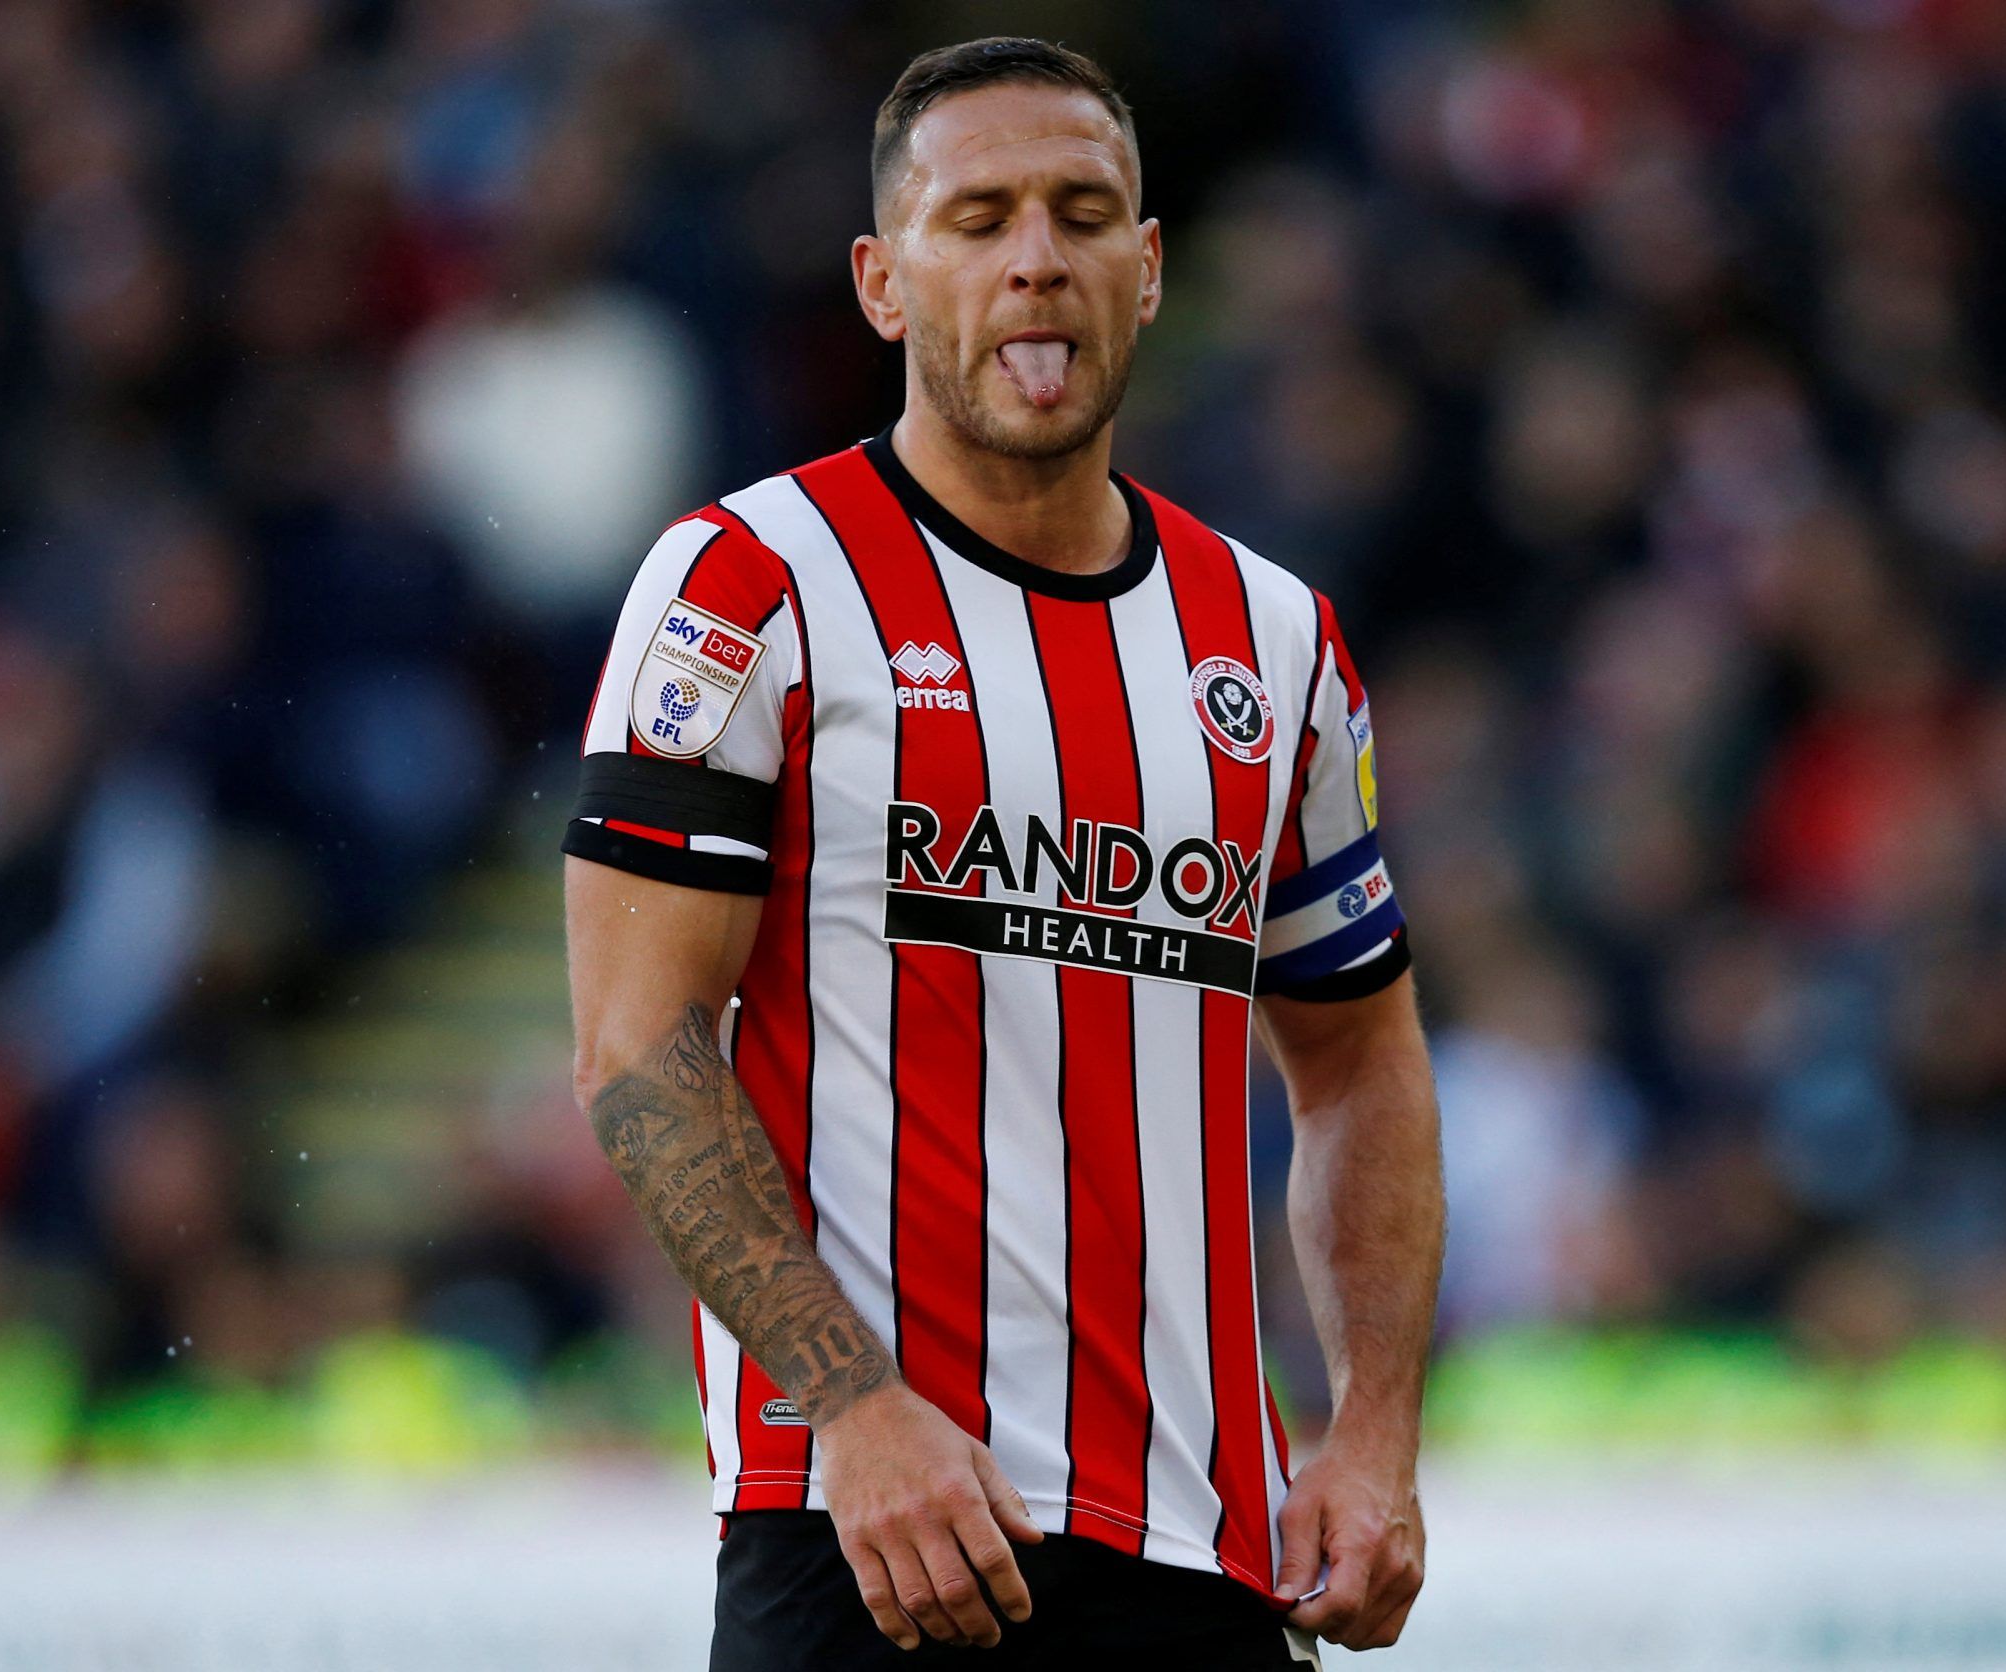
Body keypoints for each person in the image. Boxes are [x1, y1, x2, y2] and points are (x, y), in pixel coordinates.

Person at [564, 37, 1442, 1668]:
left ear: (1152, 268)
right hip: (872, 1535)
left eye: (1083, 212)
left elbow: (1360, 1059)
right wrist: (852, 1408)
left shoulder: (1276, 640)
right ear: (884, 283)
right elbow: (637, 1052)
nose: (1037, 258)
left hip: (1206, 1551)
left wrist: (1375, 1434)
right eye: (978, 220)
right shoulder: (748, 585)